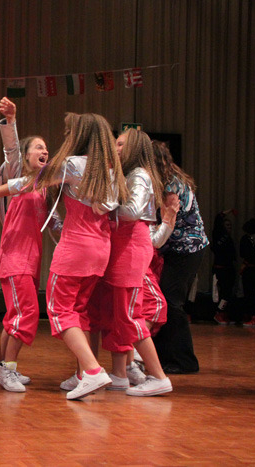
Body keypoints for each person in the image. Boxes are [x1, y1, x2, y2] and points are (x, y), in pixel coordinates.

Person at [34, 112, 126, 400]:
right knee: (79, 310)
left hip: (75, 249)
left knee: (59, 310)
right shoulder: (111, 171)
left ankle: (92, 370)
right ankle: (84, 374)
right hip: (100, 249)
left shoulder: (73, 165)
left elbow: (33, 179)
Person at [0, 97, 53, 392]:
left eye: (46, 148)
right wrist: (12, 121)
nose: (44, 151)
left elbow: (53, 221)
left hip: (31, 261)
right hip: (15, 260)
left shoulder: (42, 187)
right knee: (26, 314)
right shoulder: (18, 175)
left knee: (14, 317)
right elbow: (12, 150)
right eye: (38, 147)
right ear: (26, 156)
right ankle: (8, 370)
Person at [96, 129, 172, 396]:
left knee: (130, 315)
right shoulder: (128, 174)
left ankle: (159, 377)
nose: (115, 148)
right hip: (123, 246)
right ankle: (119, 374)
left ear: (134, 148)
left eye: (120, 144)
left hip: (131, 246)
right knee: (119, 314)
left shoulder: (139, 174)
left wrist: (105, 206)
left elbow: (132, 211)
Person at [151, 141, 208, 374]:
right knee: (165, 300)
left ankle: (184, 361)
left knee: (171, 302)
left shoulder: (170, 185)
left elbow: (167, 224)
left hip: (186, 249)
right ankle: (164, 357)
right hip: (180, 249)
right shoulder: (170, 179)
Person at [211, 210, 237, 324]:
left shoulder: (229, 239)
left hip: (229, 268)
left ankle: (223, 313)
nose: (229, 227)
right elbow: (218, 218)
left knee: (228, 293)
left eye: (230, 225)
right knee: (224, 293)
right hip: (220, 269)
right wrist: (229, 211)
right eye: (227, 225)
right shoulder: (219, 235)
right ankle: (219, 313)